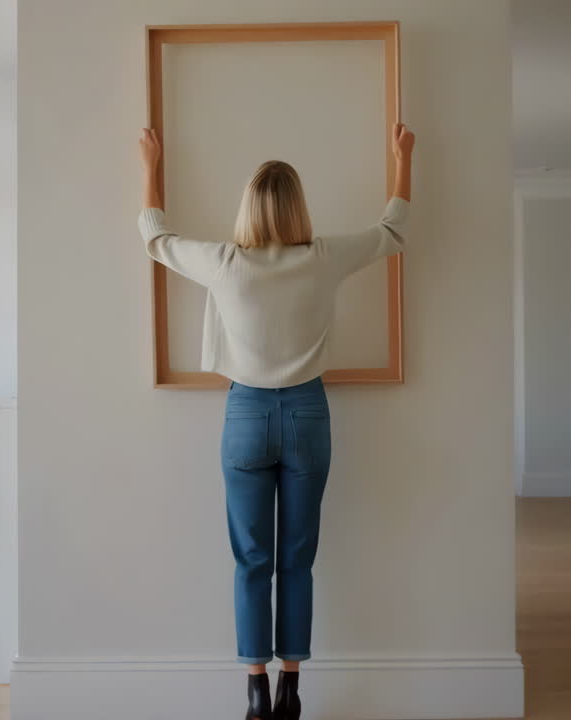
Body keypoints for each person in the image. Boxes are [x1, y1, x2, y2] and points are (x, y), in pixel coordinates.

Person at [137, 122, 414, 720]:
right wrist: (402, 157)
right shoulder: (322, 259)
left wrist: (151, 164)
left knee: (251, 559)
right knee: (297, 557)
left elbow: (155, 237)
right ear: (298, 207)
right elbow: (394, 229)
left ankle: (256, 687)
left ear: (248, 208)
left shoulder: (223, 261)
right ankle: (292, 684)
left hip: (246, 413)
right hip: (308, 412)